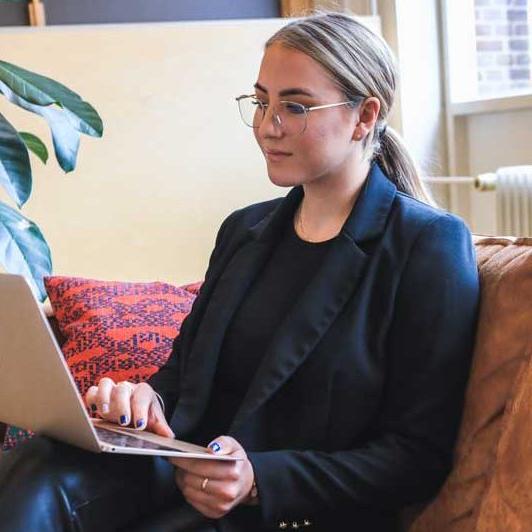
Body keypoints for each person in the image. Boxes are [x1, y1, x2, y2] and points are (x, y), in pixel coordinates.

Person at [0, 11, 479, 532]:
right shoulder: (244, 231)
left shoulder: (427, 245)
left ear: (365, 116)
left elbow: (418, 455)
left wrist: (259, 481)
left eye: (295, 106)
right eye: (261, 101)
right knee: (39, 464)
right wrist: (143, 401)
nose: (268, 126)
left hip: (291, 512)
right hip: (184, 472)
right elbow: (180, 379)